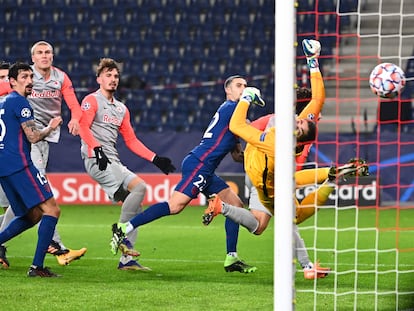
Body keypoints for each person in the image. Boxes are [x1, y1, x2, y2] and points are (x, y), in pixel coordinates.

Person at [202, 40, 369, 278]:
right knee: (292, 217)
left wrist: (246, 98)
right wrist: (313, 61)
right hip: (262, 172)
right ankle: (308, 265)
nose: (299, 119)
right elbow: (318, 99)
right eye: (302, 118)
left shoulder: (276, 140)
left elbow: (238, 125)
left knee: (264, 225)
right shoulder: (292, 133)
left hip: (264, 175)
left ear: (297, 137)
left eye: (299, 123)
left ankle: (307, 266)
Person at [110, 75, 277, 273]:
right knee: (174, 206)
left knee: (235, 205)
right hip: (200, 164)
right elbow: (253, 131)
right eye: (239, 86)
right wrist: (274, 120)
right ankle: (124, 228)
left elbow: (237, 155)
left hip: (204, 166)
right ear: (228, 91)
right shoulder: (232, 108)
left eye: (245, 86)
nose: (243, 89)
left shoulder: (235, 116)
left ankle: (231, 258)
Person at [78, 58, 176, 270]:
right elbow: (83, 127)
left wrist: (155, 158)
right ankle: (121, 234)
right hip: (97, 160)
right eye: (108, 76)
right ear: (99, 79)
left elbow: (131, 140)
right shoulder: (91, 100)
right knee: (140, 187)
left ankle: (126, 260)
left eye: (116, 76)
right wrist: (96, 149)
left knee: (136, 205)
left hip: (112, 160)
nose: (113, 79)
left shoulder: (121, 109)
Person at [0, 41, 86, 267]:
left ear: (53, 56)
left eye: (48, 52)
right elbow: (32, 134)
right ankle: (56, 247)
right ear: (33, 58)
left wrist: (76, 118)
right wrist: (51, 126)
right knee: (48, 207)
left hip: (33, 145)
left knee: (29, 212)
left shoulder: (60, 78)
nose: (44, 56)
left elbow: (73, 104)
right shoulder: (22, 87)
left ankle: (2, 243)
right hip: (26, 146)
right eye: (39, 52)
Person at [0, 62, 63, 277]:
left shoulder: (3, 103)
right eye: (24, 77)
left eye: (30, 77)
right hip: (20, 165)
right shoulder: (20, 103)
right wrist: (50, 128)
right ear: (12, 81)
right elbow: (33, 137)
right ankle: (37, 267)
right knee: (52, 210)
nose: (29, 81)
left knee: (33, 215)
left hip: (4, 168)